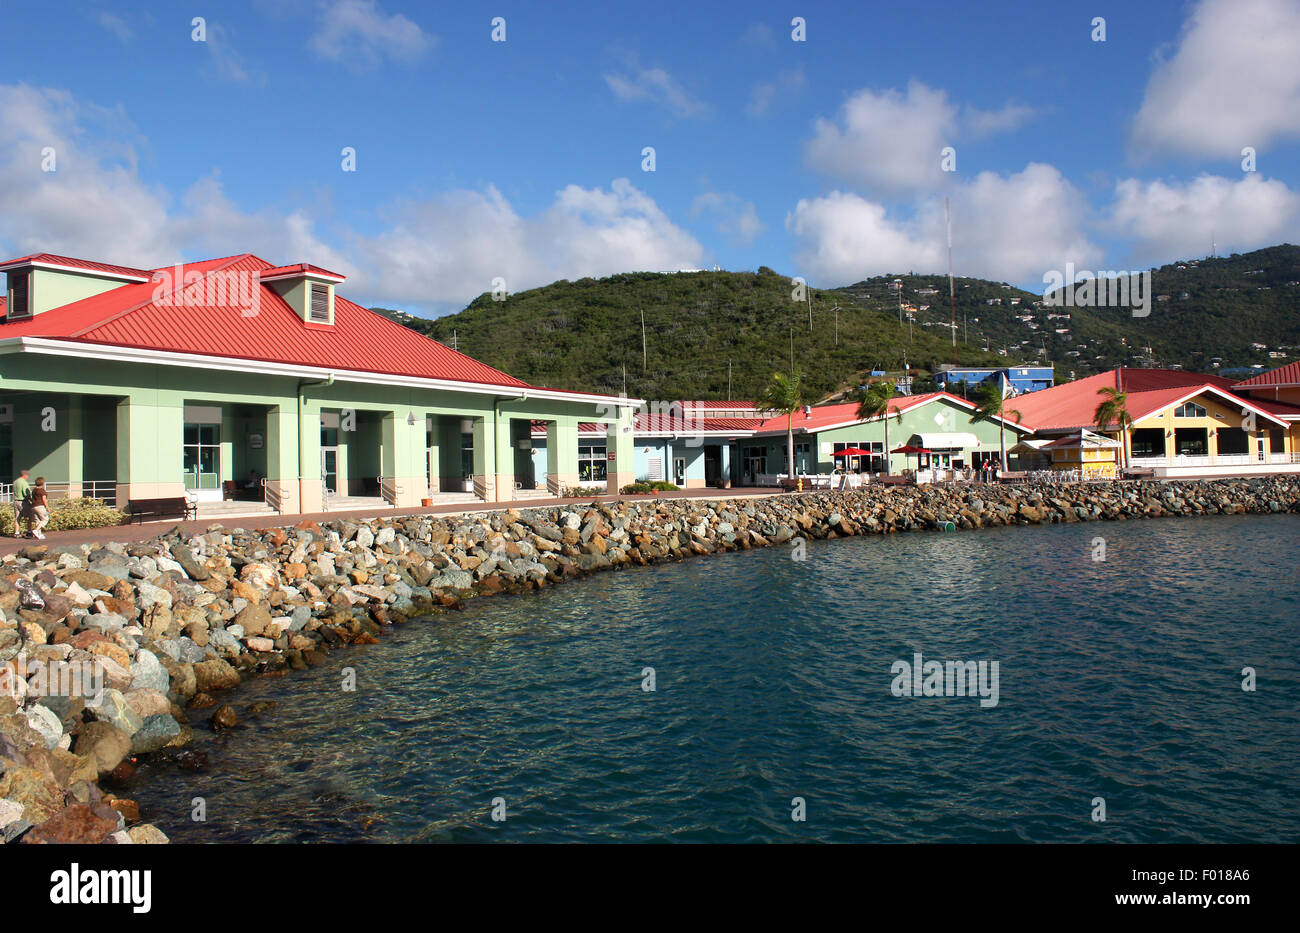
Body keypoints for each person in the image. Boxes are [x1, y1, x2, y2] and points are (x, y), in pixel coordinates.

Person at [11, 469, 31, 538]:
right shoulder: (24, 482)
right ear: (25, 475)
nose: (28, 477)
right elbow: (26, 493)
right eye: (28, 476)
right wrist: (30, 500)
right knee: (30, 516)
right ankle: (29, 531)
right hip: (23, 502)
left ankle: (16, 532)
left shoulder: (15, 482)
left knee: (17, 518)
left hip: (16, 501)